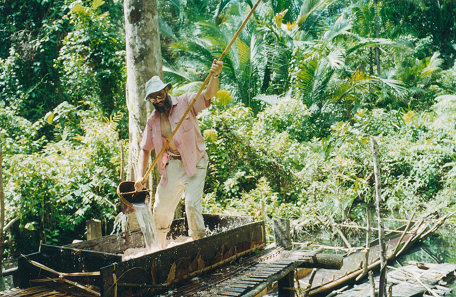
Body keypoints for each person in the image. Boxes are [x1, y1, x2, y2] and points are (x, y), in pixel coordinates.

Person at [135, 59, 223, 249]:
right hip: (172, 165)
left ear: (166, 91)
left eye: (159, 95)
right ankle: (159, 247)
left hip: (195, 161)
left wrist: (214, 75)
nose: (158, 100)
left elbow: (209, 94)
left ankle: (199, 244)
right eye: (153, 98)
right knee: (161, 209)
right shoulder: (153, 121)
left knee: (191, 205)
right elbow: (145, 148)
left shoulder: (185, 102)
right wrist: (140, 177)